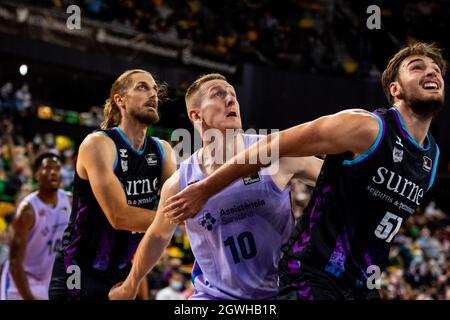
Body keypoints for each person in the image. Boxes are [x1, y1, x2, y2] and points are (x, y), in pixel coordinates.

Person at [162, 42, 444, 300]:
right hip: (312, 276)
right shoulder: (365, 127)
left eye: (436, 69)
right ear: (395, 89)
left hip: (360, 284)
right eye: (417, 67)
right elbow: (272, 146)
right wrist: (205, 188)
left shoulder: (429, 159)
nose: (431, 72)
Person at [109, 73, 322, 300]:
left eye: (233, 94)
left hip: (280, 293)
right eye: (218, 95)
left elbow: (338, 181)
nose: (230, 100)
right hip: (214, 297)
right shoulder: (180, 182)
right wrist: (130, 286)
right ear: (196, 115)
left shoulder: (276, 154)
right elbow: (158, 235)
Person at [48, 69, 176, 300]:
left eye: (155, 90)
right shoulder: (98, 144)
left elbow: (176, 204)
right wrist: (179, 217)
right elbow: (119, 216)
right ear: (120, 99)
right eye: (142, 87)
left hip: (123, 272)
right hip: (78, 270)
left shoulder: (163, 151)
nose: (153, 95)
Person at [1, 153, 71, 300]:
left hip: (49, 279)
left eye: (57, 168)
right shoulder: (27, 211)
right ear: (36, 175)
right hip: (21, 280)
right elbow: (15, 262)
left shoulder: (69, 201)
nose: (54, 172)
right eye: (48, 168)